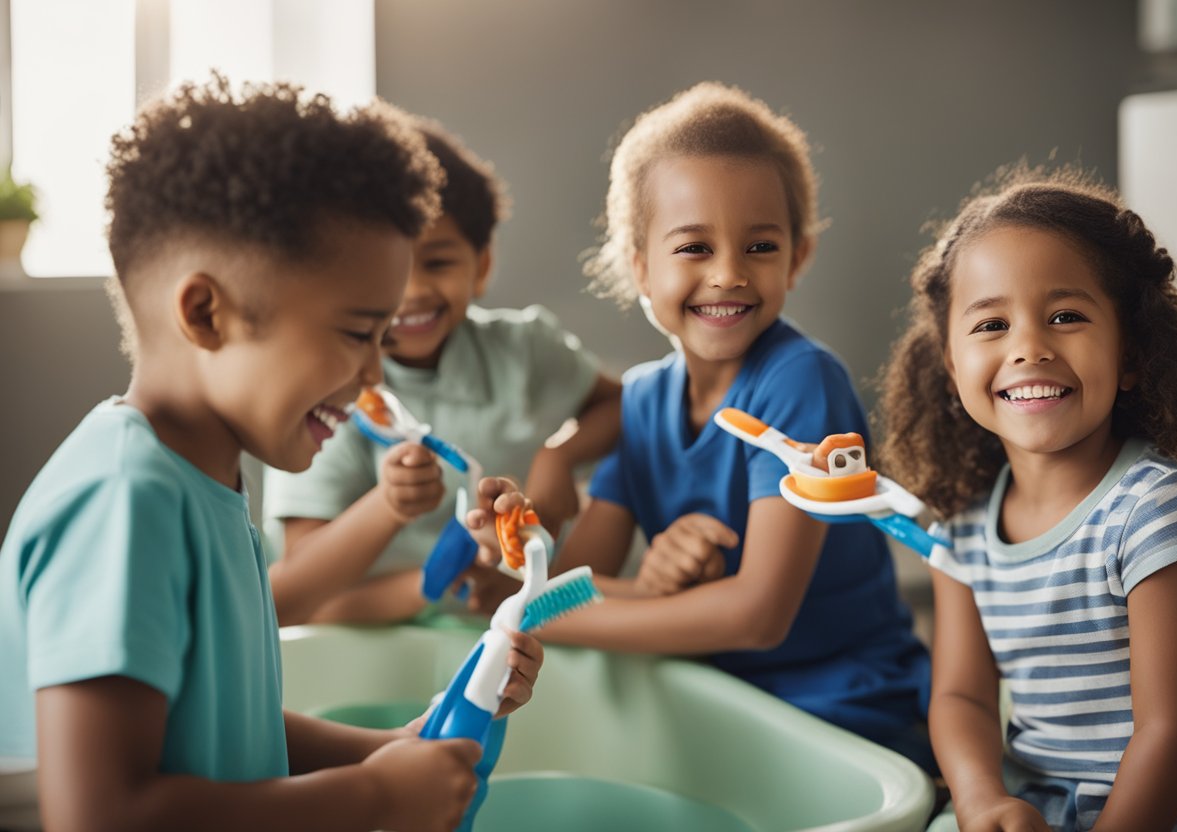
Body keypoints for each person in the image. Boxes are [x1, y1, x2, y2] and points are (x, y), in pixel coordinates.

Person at [0, 76, 543, 832]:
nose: (374, 376)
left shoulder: (202, 481)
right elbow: (99, 814)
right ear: (205, 313)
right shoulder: (125, 499)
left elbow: (227, 729)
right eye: (358, 334)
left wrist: (400, 748)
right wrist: (378, 796)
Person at [506, 81, 934, 771]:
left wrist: (522, 606)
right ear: (640, 266)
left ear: (798, 255)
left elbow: (756, 616)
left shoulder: (799, 380)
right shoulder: (643, 402)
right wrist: (632, 590)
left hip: (847, 711)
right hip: (716, 694)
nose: (729, 274)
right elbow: (578, 580)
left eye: (759, 247)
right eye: (694, 248)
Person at [877, 166, 1177, 831]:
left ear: (1133, 354)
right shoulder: (965, 526)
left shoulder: (1156, 512)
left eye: (1065, 317)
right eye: (991, 325)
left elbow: (1171, 730)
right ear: (951, 367)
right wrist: (981, 801)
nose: (1028, 347)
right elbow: (959, 697)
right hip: (1032, 805)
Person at [263, 116, 621, 626]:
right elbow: (298, 594)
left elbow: (622, 404)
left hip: (522, 621)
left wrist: (559, 459)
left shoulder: (527, 349)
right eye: (387, 271)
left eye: (437, 262)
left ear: (482, 265)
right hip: (380, 629)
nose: (410, 293)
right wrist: (436, 570)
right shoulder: (326, 392)